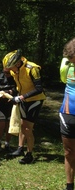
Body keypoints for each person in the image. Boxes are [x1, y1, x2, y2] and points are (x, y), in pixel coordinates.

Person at [2, 49, 46, 164]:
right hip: (23, 99)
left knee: (27, 128)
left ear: (17, 63)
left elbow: (39, 89)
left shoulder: (32, 69)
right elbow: (17, 85)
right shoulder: (14, 71)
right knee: (22, 124)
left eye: (11, 68)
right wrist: (11, 93)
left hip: (35, 100)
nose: (11, 71)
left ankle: (29, 154)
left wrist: (21, 97)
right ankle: (20, 148)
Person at [59, 38, 75, 190]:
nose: (72, 63)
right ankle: (69, 186)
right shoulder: (67, 66)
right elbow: (63, 79)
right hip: (67, 114)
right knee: (68, 152)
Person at [0, 70, 17, 152]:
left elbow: (18, 89)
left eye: (9, 73)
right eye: (5, 73)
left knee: (9, 126)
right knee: (1, 125)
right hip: (1, 105)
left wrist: (9, 92)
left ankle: (7, 144)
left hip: (12, 105)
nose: (7, 75)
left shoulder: (15, 76)